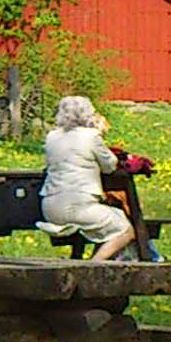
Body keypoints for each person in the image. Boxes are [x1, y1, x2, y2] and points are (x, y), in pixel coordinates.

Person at [40, 95, 134, 260]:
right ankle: (93, 265)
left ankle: (90, 262)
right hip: (79, 205)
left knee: (112, 219)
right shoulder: (91, 136)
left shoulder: (52, 137)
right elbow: (110, 165)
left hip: (50, 207)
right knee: (126, 230)